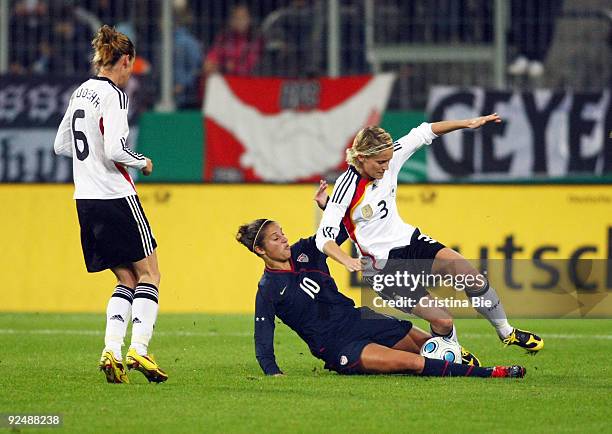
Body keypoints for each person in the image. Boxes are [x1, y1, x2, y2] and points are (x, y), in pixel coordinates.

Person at [314, 116, 544, 355]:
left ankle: (506, 332)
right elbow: (324, 238)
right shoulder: (346, 186)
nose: (386, 167)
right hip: (383, 267)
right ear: (361, 157)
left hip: (410, 242)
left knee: (467, 273)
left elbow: (424, 132)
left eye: (389, 161)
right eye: (381, 162)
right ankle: (453, 353)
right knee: (443, 321)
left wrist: (467, 123)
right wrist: (346, 259)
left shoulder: (389, 160)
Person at [236, 218, 526, 378]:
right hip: (338, 345)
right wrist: (271, 370)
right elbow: (264, 332)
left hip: (359, 319)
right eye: (275, 238)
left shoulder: (306, 250)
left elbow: (336, 230)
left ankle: (457, 360)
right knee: (412, 363)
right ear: (261, 250)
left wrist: (330, 208)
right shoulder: (269, 289)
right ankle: (492, 373)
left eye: (282, 233)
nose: (284, 239)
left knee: (428, 344)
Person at [53, 25, 167, 384]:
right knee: (151, 274)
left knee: (126, 278)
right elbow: (117, 148)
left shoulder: (80, 92)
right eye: (131, 64)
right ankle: (141, 349)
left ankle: (112, 349)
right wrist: (142, 161)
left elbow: (60, 145)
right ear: (126, 60)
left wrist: (89, 162)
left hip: (85, 199)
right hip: (116, 196)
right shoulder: (114, 94)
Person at [203, 4, 263, 76]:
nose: (240, 21)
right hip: (227, 80)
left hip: (250, 81)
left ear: (249, 19)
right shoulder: (224, 38)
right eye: (236, 17)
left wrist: (229, 66)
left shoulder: (256, 40)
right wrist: (213, 64)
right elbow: (212, 58)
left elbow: (253, 66)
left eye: (243, 17)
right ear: (230, 20)